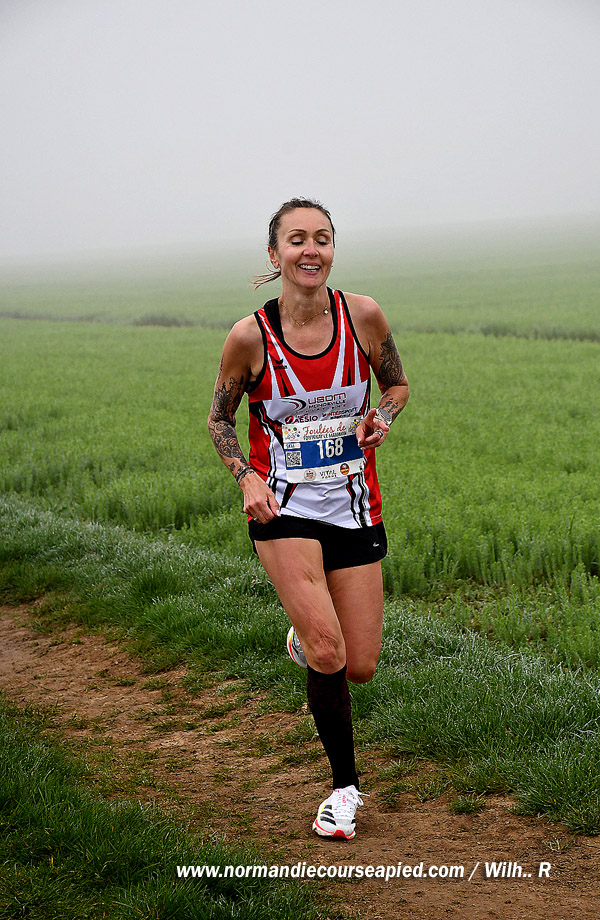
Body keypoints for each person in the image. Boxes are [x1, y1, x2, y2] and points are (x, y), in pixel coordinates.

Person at [208, 198, 409, 839]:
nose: (310, 250)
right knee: (330, 650)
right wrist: (246, 477)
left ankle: (303, 638)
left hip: (354, 504)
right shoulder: (250, 338)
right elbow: (219, 418)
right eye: (296, 239)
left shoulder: (363, 316)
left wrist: (382, 417)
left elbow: (397, 386)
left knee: (360, 663)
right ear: (275, 254)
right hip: (283, 509)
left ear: (332, 250)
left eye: (322, 238)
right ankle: (344, 790)